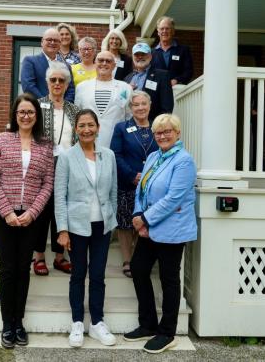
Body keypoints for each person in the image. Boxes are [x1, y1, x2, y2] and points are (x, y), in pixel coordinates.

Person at [0, 93, 54, 349]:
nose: (26, 116)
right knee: (8, 268)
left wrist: (32, 212)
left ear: (37, 117)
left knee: (23, 269)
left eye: (31, 112)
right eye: (21, 112)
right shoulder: (0, 140)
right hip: (3, 216)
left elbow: (48, 184)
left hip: (30, 218)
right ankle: (7, 323)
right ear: (15, 115)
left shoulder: (46, 145)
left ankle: (19, 322)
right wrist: (7, 212)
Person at [124, 113, 197, 354]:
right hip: (147, 228)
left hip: (172, 230)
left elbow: (173, 198)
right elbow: (141, 190)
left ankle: (167, 332)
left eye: (167, 131)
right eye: (158, 132)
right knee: (138, 268)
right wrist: (137, 216)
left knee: (169, 280)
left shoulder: (184, 161)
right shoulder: (154, 156)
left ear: (177, 133)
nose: (163, 135)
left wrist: (145, 218)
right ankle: (147, 324)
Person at [55, 109, 118, 348]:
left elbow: (112, 191)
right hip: (77, 225)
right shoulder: (67, 157)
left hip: (102, 225)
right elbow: (60, 196)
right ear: (76, 129)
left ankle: (97, 322)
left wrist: (110, 220)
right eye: (81, 125)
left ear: (98, 127)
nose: (86, 129)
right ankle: (77, 323)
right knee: (78, 274)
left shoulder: (108, 156)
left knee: (98, 275)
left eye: (90, 125)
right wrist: (62, 229)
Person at [33, 62, 80, 275]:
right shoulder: (37, 106)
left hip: (67, 166)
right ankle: (39, 256)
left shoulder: (74, 110)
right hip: (42, 166)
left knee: (62, 210)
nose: (57, 83)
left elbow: (78, 138)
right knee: (42, 212)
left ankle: (60, 257)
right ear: (47, 83)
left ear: (67, 83)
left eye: (62, 80)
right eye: (53, 80)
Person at [110, 91, 158, 278]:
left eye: (143, 104)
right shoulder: (122, 128)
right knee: (125, 223)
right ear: (131, 108)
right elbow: (116, 154)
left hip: (152, 186)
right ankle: (127, 260)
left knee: (144, 220)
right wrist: (132, 175)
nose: (140, 108)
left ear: (150, 105)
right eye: (136, 104)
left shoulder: (158, 126)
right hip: (128, 182)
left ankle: (139, 258)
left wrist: (150, 177)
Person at [74, 50, 132, 148]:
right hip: (87, 142)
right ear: (95, 63)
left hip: (115, 143)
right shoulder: (81, 87)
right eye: (100, 60)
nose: (104, 63)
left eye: (108, 61)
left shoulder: (125, 88)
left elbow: (129, 116)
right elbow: (77, 115)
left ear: (114, 65)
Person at [21, 27, 75, 102]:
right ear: (42, 42)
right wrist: (47, 104)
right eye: (49, 39)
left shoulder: (66, 66)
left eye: (56, 40)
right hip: (39, 109)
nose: (52, 42)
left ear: (60, 44)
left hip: (61, 110)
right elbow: (28, 87)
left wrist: (63, 106)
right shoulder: (30, 61)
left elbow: (70, 90)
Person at [124, 42, 174, 120]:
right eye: (137, 55)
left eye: (143, 54)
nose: (140, 57)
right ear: (133, 57)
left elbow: (167, 107)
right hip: (129, 125)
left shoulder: (162, 76)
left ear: (150, 57)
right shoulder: (127, 78)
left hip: (152, 126)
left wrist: (157, 126)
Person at [151, 16, 193, 87]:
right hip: (157, 92)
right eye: (162, 29)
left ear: (173, 31)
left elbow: (188, 72)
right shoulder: (151, 52)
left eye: (167, 28)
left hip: (177, 91)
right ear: (158, 32)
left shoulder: (183, 50)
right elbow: (149, 73)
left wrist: (177, 80)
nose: (164, 31)